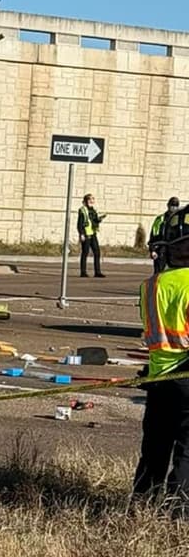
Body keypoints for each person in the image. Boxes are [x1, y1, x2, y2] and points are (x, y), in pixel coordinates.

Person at [132, 204, 189, 514]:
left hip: (157, 378)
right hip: (185, 379)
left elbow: (155, 334)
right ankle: (177, 516)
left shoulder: (150, 286)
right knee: (187, 453)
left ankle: (140, 508)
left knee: (154, 450)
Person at [77, 193, 106, 277]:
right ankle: (83, 272)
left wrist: (100, 219)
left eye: (92, 199)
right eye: (89, 199)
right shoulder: (82, 210)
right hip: (86, 234)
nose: (91, 201)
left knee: (97, 252)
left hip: (93, 233)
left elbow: (95, 221)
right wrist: (81, 234)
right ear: (85, 201)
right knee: (85, 253)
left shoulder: (93, 210)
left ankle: (97, 272)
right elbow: (79, 224)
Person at [151, 197, 180, 274]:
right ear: (168, 205)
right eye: (172, 205)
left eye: (176, 205)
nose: (174, 207)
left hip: (175, 251)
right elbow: (154, 234)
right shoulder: (160, 219)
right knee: (158, 274)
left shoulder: (180, 220)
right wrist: (153, 250)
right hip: (161, 250)